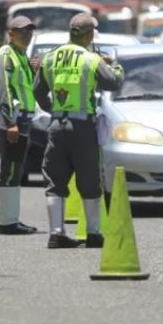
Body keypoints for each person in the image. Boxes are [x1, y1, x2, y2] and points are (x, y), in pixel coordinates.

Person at [33, 13, 124, 249]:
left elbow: (37, 91)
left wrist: (52, 109)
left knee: (54, 178)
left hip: (57, 126)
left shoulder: (50, 58)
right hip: (82, 126)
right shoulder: (91, 59)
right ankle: (93, 233)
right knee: (89, 178)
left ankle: (56, 233)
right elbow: (112, 82)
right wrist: (115, 65)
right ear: (90, 34)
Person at [0, 16, 39, 235]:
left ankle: (12, 219)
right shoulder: (5, 55)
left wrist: (33, 69)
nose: (27, 35)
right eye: (22, 32)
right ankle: (8, 222)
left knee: (15, 168)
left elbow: (25, 86)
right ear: (11, 33)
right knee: (10, 169)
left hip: (23, 119)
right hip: (15, 120)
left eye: (30, 32)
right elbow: (5, 91)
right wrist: (11, 122)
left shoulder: (21, 55)